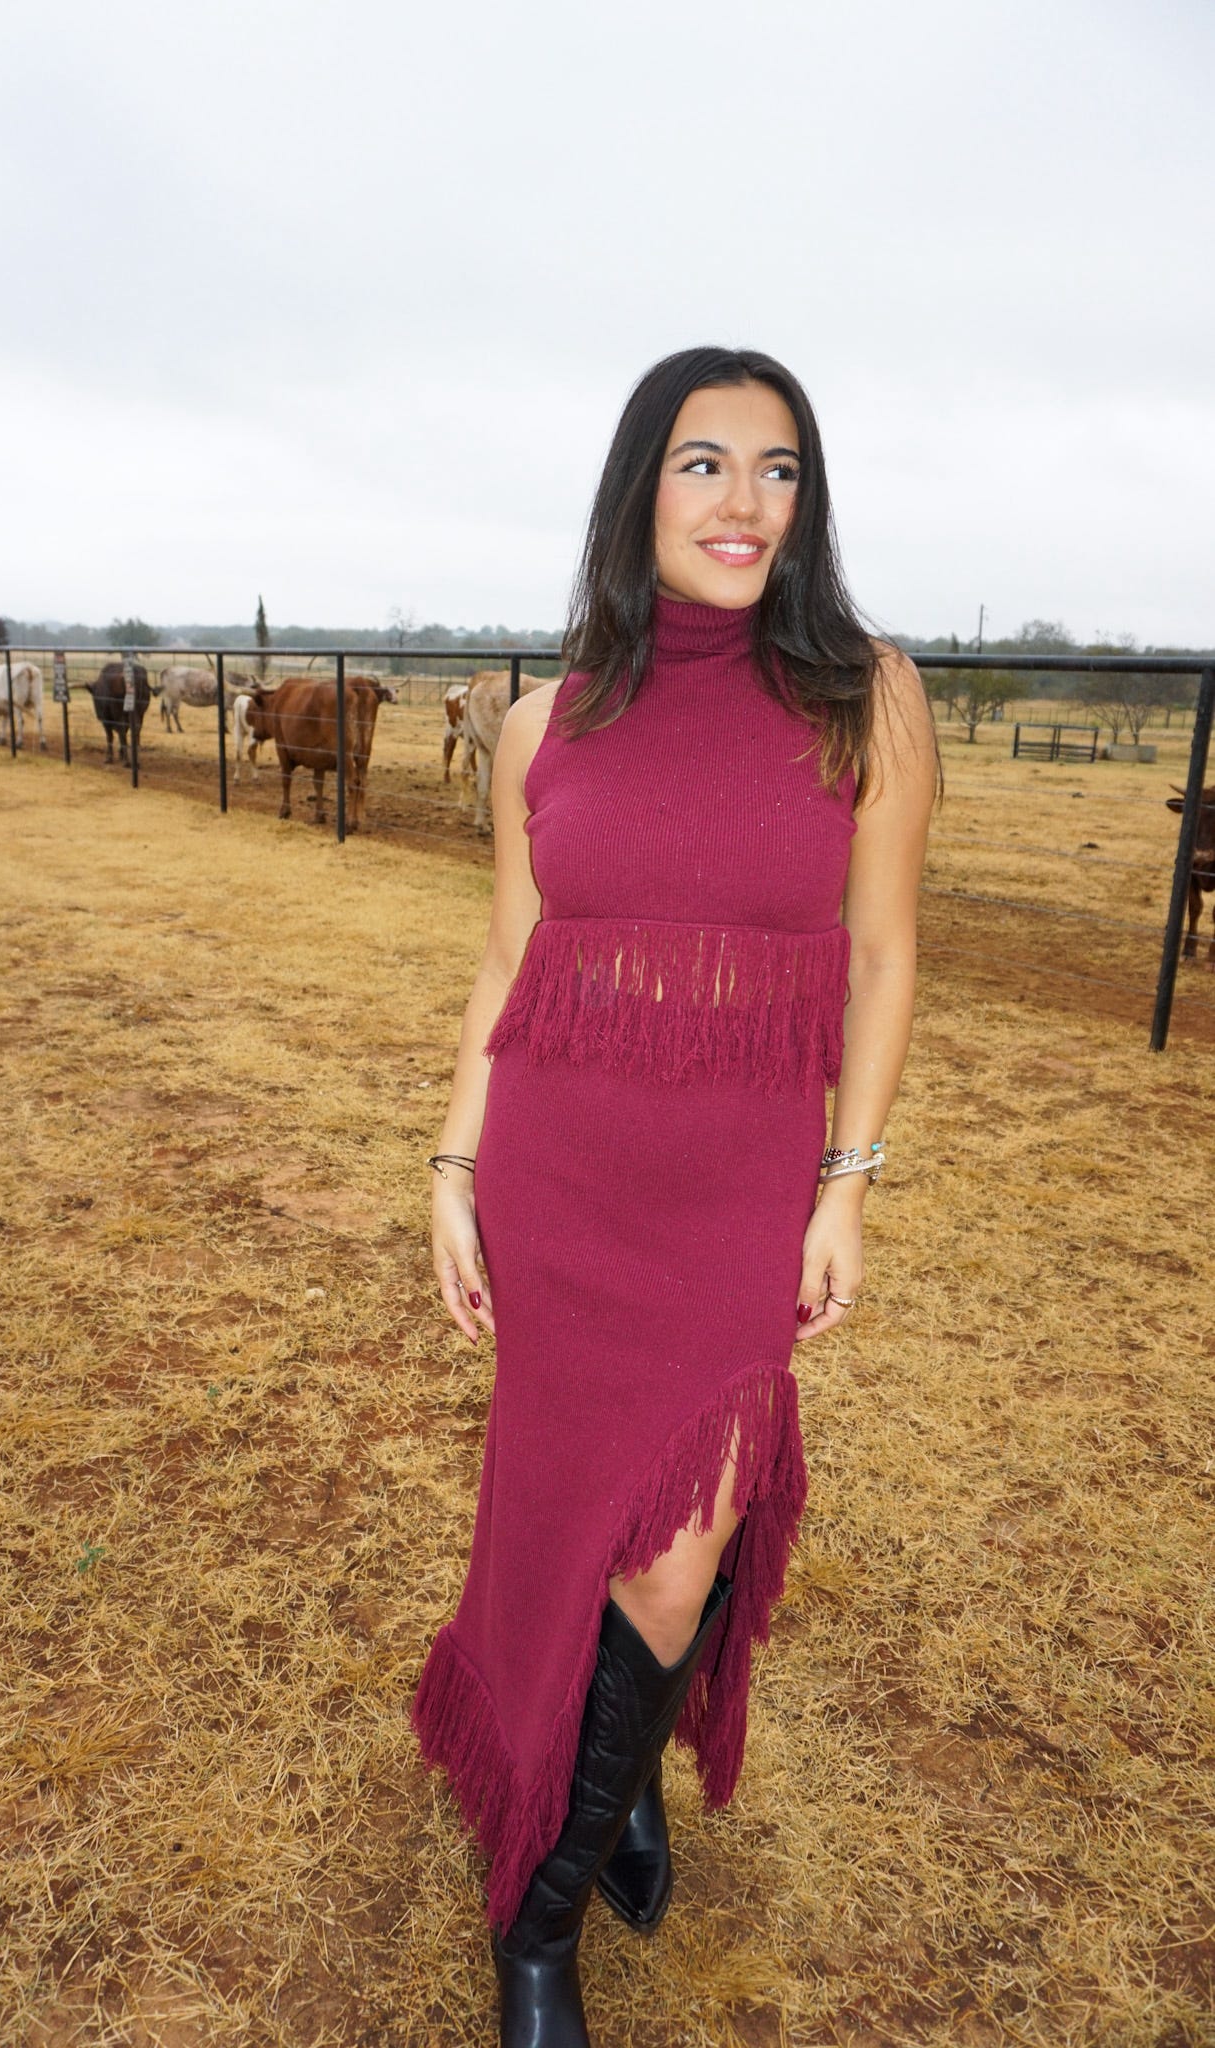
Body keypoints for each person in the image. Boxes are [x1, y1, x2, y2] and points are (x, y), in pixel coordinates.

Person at [411, 345, 941, 2047]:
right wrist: (452, 1165)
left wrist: (845, 1184)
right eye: (704, 463)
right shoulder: (543, 718)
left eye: (778, 469)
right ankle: (577, 1853)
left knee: (678, 1540)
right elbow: (510, 951)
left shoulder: (866, 692)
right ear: (642, 484)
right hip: (561, 1179)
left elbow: (880, 956)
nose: (742, 501)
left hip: (731, 1198)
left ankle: (540, 1903)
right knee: (573, 1515)